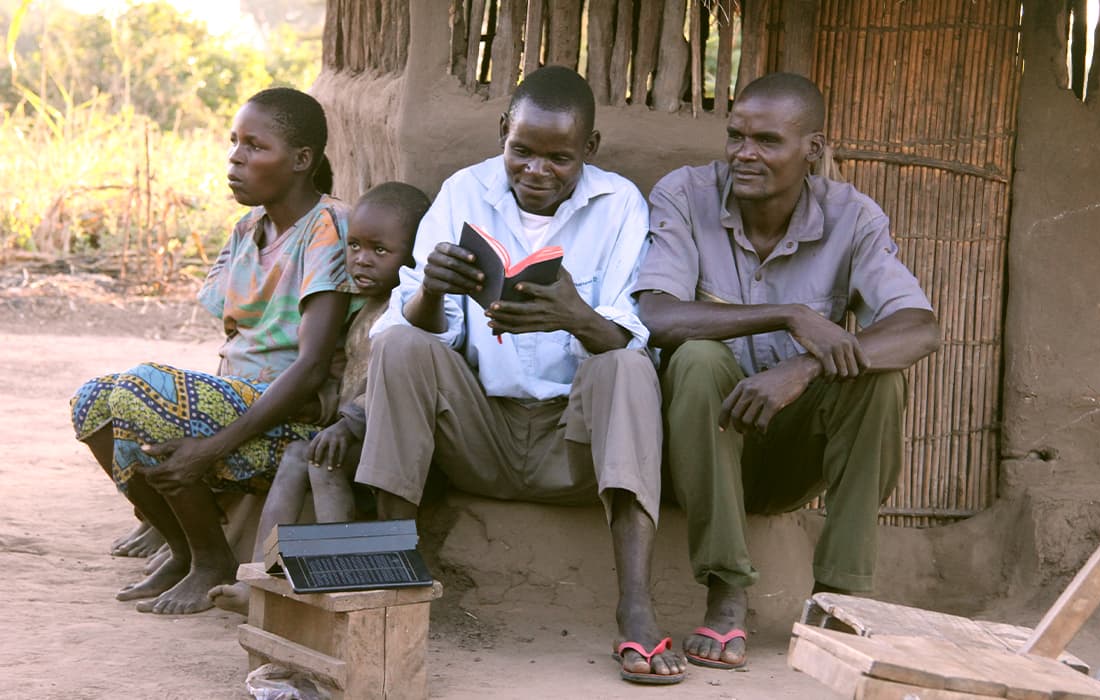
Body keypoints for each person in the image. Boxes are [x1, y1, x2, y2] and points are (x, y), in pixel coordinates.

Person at [356, 66, 686, 685]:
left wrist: (576, 317)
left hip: (574, 446)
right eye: (522, 151)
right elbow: (432, 331)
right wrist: (431, 289)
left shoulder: (619, 206)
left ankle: (635, 604)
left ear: (589, 149)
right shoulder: (463, 192)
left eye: (559, 158)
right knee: (399, 342)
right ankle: (391, 566)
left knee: (627, 366)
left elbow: (634, 331)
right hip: (480, 436)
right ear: (503, 131)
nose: (537, 171)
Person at [635, 73, 940, 670]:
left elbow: (920, 327)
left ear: (814, 151)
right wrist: (789, 315)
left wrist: (802, 367)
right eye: (736, 136)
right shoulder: (685, 195)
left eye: (767, 141)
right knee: (696, 358)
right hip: (704, 445)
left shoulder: (852, 216)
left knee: (879, 378)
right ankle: (726, 592)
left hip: (797, 453)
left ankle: (840, 598)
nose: (744, 154)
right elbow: (657, 316)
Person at [70, 87, 353, 615]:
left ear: (301, 160)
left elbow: (312, 367)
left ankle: (211, 560)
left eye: (255, 146)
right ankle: (181, 549)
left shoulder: (327, 228)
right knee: (92, 401)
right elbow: (235, 343)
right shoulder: (247, 230)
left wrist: (213, 445)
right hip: (239, 403)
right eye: (234, 143)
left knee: (138, 389)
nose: (236, 158)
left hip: (290, 418)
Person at [208, 181, 430, 615]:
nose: (361, 260)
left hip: (393, 448)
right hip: (351, 436)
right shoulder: (361, 310)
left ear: (412, 255)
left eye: (379, 251)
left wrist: (349, 422)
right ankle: (260, 576)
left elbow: (401, 388)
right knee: (299, 454)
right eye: (355, 247)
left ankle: (335, 578)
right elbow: (343, 380)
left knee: (319, 458)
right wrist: (326, 409)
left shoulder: (410, 312)